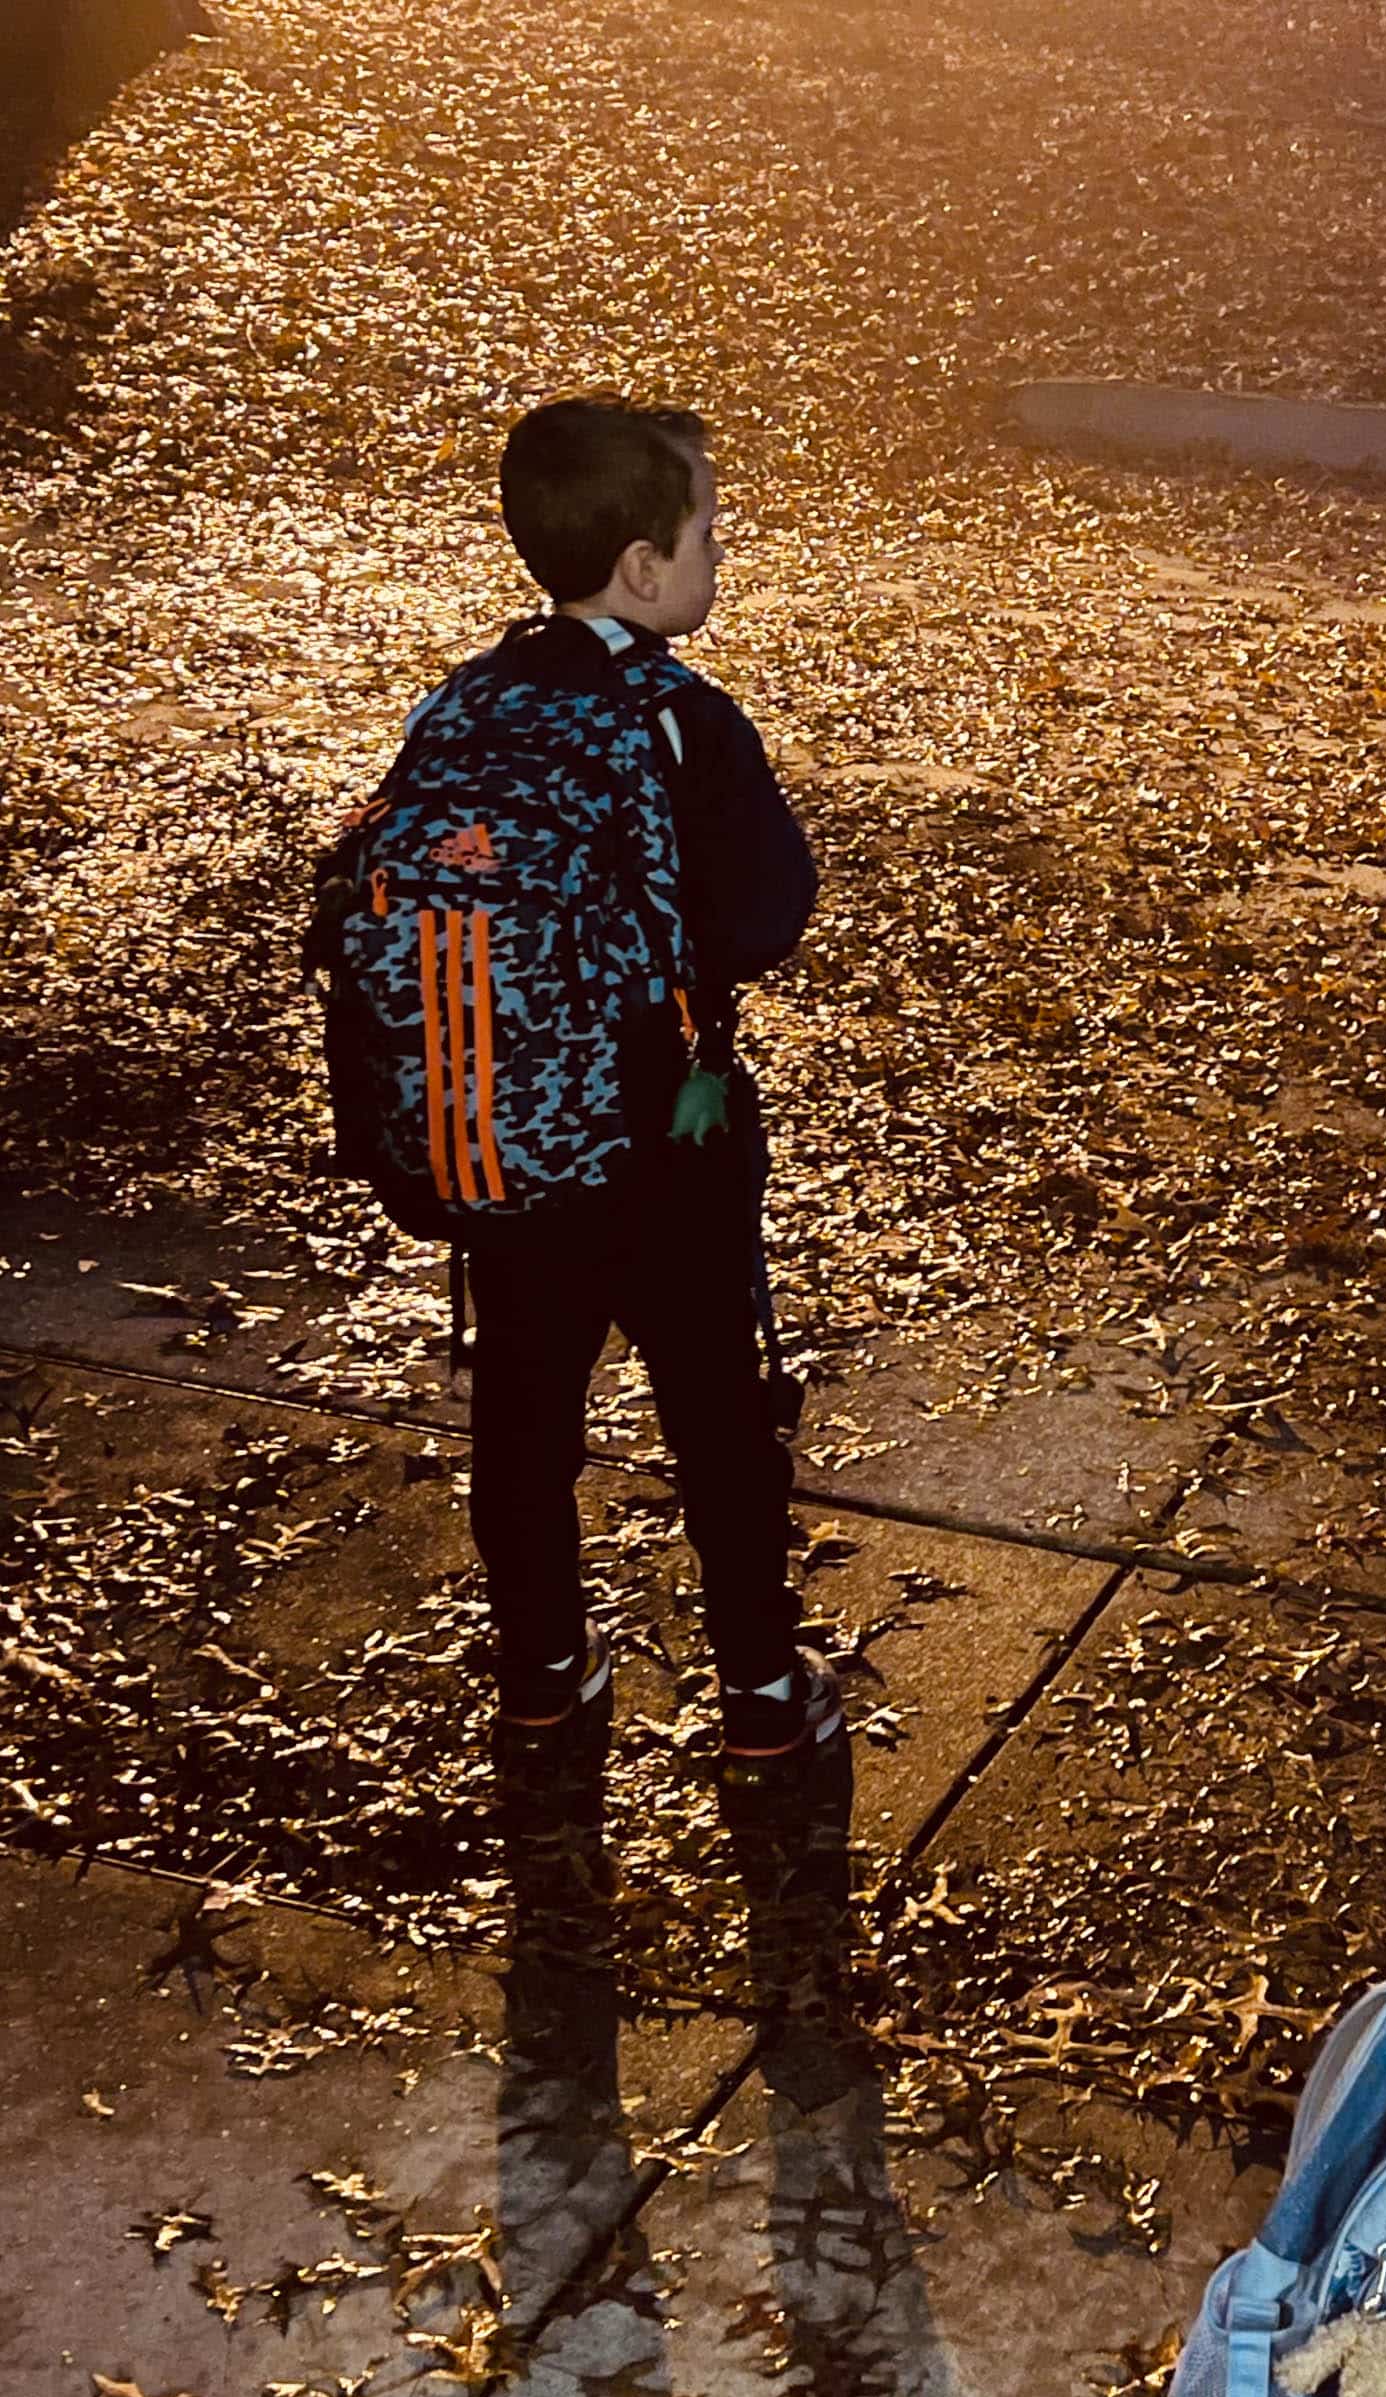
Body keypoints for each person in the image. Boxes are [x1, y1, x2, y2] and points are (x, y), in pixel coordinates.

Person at [463, 394, 841, 1761]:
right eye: (707, 533)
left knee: (523, 1415)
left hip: (512, 1135)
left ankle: (541, 1672)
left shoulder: (473, 702)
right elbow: (766, 913)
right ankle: (760, 1692)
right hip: (663, 1132)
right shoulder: (684, 720)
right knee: (715, 1414)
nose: (719, 554)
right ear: (642, 566)